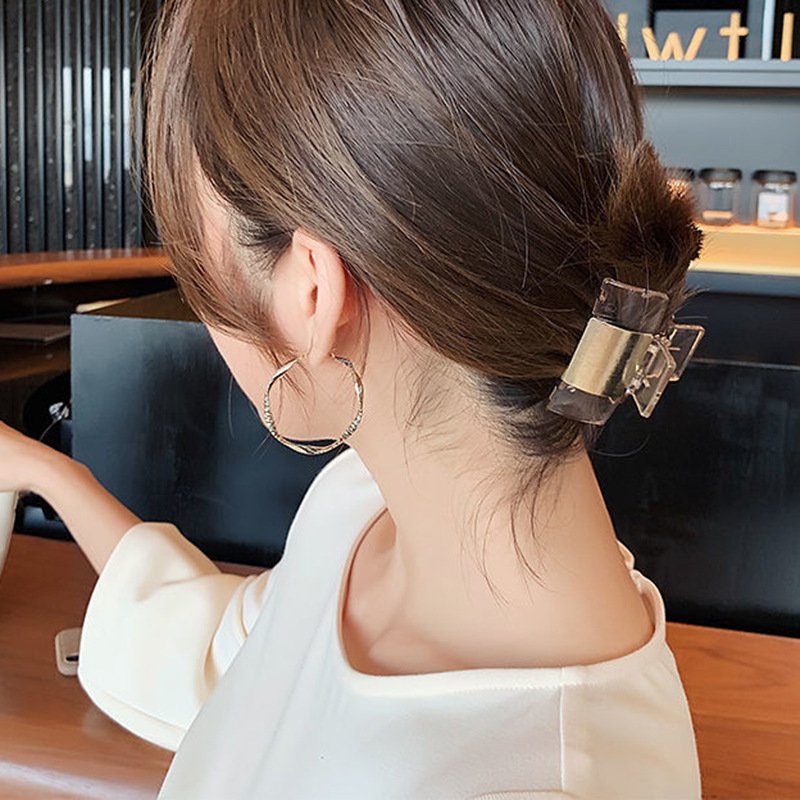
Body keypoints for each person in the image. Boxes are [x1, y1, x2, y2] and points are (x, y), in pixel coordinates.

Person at [0, 0, 706, 796]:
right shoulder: (370, 503)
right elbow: (241, 661)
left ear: (313, 293)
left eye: (195, 267)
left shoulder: (535, 778)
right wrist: (49, 474)